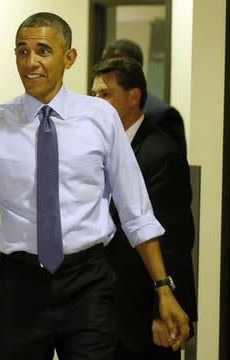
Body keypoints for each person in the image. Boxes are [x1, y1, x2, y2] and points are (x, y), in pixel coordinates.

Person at [0, 12, 189, 360]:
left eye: (43, 50)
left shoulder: (100, 118)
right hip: (18, 287)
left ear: (69, 57)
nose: (31, 62)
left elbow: (137, 211)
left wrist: (164, 289)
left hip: (88, 284)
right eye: (22, 51)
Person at [91, 57, 197, 360]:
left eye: (105, 94)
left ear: (133, 96)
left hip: (142, 309)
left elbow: (174, 239)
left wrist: (161, 307)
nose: (96, 101)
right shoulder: (93, 148)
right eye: (93, 94)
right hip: (98, 308)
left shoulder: (160, 152)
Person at [101, 38, 187, 154]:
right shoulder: (97, 109)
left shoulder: (164, 115)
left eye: (115, 68)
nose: (107, 73)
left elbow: (172, 163)